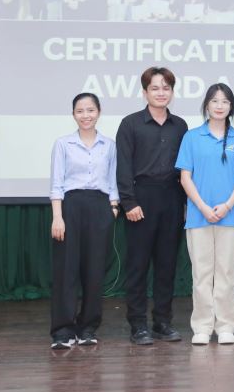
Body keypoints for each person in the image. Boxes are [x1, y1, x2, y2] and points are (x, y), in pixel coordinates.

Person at [116, 67, 189, 345]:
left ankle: (162, 322)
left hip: (172, 198)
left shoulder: (180, 126)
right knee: (138, 266)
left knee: (167, 265)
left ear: (172, 92)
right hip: (141, 199)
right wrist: (129, 202)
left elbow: (185, 169)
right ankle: (138, 325)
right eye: (155, 88)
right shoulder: (130, 124)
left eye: (166, 88)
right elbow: (123, 166)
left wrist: (184, 203)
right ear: (144, 92)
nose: (161, 93)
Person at [176, 84, 234, 345]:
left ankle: (226, 325)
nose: (220, 106)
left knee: (226, 273)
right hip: (199, 216)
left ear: (231, 107)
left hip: (230, 216)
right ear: (206, 104)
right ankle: (202, 326)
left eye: (225, 101)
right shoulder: (192, 137)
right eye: (215, 101)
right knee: (202, 274)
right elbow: (185, 178)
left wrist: (227, 206)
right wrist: (203, 207)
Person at [48, 92, 119, 349]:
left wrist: (113, 209)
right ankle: (63, 330)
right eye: (80, 111)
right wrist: (58, 217)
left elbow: (113, 180)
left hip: (100, 207)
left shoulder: (109, 145)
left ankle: (88, 327)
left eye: (90, 110)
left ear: (98, 112)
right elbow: (57, 183)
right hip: (70, 207)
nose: (85, 115)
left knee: (94, 270)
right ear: (73, 114)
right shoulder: (63, 144)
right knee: (66, 270)